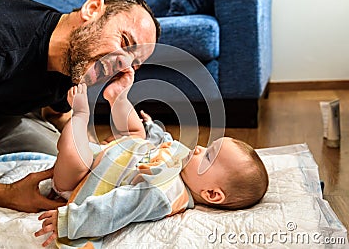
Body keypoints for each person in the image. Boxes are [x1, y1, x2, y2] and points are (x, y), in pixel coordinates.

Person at [0, 0, 160, 212]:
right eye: (125, 42)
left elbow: (58, 112)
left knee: (64, 166)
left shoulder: (75, 54)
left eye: (134, 64)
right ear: (92, 9)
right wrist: (3, 195)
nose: (124, 64)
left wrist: (92, 151)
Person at [34, 73, 269, 247]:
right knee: (138, 133)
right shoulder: (182, 161)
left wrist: (70, 221)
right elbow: (163, 144)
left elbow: (116, 208)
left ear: (211, 194)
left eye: (208, 156)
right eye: (207, 147)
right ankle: (118, 98)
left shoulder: (163, 192)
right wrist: (152, 128)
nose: (198, 148)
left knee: (76, 156)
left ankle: (78, 116)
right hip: (119, 152)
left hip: (82, 176)